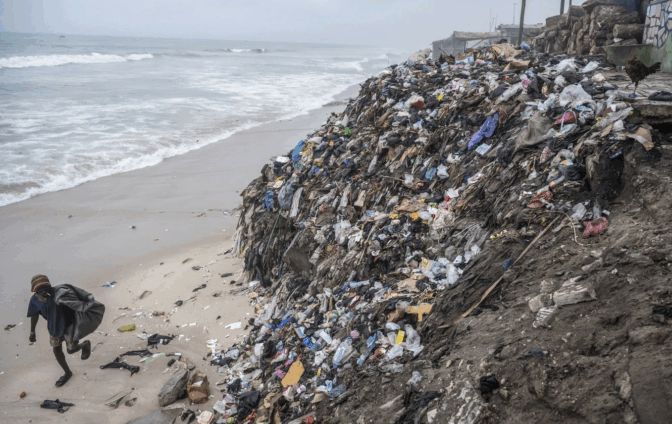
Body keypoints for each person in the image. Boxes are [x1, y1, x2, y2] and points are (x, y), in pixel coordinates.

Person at [28, 274, 104, 387]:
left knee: (71, 350)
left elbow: (77, 303)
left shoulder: (61, 293)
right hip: (53, 328)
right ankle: (67, 373)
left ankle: (85, 344)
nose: (44, 292)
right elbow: (34, 315)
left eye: (46, 289)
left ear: (49, 286)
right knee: (56, 350)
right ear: (35, 290)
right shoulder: (35, 300)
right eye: (40, 290)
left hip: (69, 326)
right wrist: (32, 332)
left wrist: (63, 303)